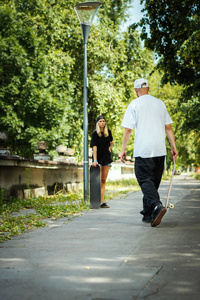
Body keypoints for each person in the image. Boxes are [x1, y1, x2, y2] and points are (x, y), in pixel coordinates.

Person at [120, 78, 178, 227]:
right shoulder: (160, 103)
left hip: (143, 151)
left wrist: (123, 149)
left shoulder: (134, 104)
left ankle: (156, 206)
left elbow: (128, 129)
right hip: (160, 151)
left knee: (145, 180)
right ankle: (148, 213)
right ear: (148, 89)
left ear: (136, 90)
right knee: (152, 183)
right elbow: (168, 128)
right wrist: (174, 147)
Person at [90, 115, 114, 208]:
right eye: (100, 121)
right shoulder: (95, 134)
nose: (102, 123)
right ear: (97, 123)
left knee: (103, 181)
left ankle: (102, 202)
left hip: (107, 159)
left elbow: (112, 141)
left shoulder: (108, 132)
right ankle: (95, 201)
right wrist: (95, 160)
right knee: (97, 181)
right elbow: (94, 148)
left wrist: (110, 148)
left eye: (103, 121)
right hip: (98, 159)